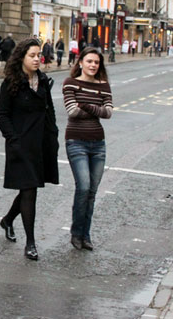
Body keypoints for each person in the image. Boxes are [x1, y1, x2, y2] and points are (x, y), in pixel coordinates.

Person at [0, 38, 59, 261]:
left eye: (38, 55)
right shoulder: (11, 83)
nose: (36, 59)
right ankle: (31, 243)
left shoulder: (43, 81)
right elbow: (3, 115)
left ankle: (7, 220)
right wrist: (13, 140)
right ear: (21, 57)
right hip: (20, 145)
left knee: (27, 188)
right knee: (30, 189)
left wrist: (53, 136)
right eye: (32, 55)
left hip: (40, 144)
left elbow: (49, 110)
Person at [62, 47, 113, 251]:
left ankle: (86, 235)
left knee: (92, 191)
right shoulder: (70, 83)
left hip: (98, 144)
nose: (93, 65)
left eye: (97, 62)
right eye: (89, 61)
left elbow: (108, 113)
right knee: (83, 187)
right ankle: (76, 233)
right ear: (80, 62)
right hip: (76, 142)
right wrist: (95, 109)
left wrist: (86, 105)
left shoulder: (104, 85)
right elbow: (72, 111)